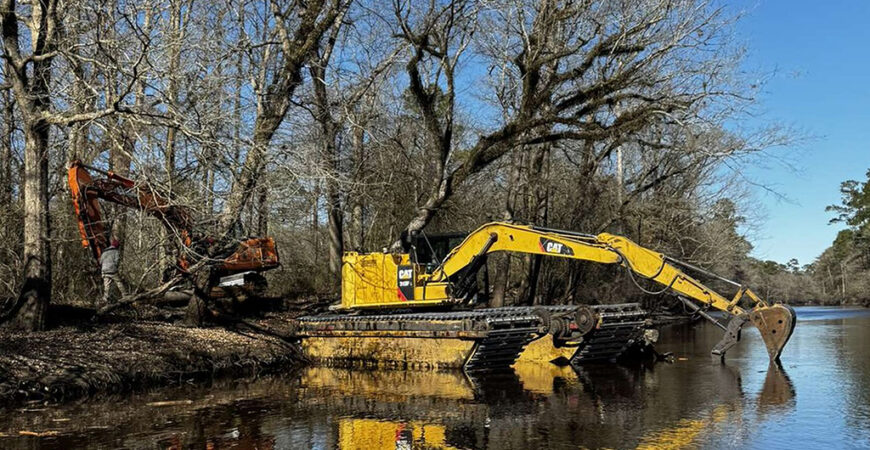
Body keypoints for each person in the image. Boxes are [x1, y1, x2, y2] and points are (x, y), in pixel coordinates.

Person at [100, 238, 127, 305]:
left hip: (104, 270)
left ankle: (105, 299)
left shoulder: (104, 251)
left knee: (106, 285)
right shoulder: (116, 251)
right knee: (119, 282)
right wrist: (115, 267)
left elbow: (100, 261)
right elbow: (117, 261)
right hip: (112, 269)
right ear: (117, 246)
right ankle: (125, 295)